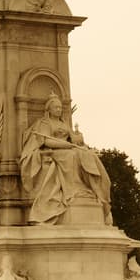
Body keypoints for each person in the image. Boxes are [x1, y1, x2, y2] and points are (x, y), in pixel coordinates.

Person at [20, 93, 112, 225]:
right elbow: (46, 142)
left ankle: (94, 189)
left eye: (60, 107)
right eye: (56, 107)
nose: (59, 110)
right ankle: (75, 190)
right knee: (72, 156)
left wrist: (79, 139)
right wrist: (66, 145)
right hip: (54, 151)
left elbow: (73, 140)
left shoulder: (64, 123)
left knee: (88, 155)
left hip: (68, 149)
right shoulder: (44, 123)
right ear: (49, 109)